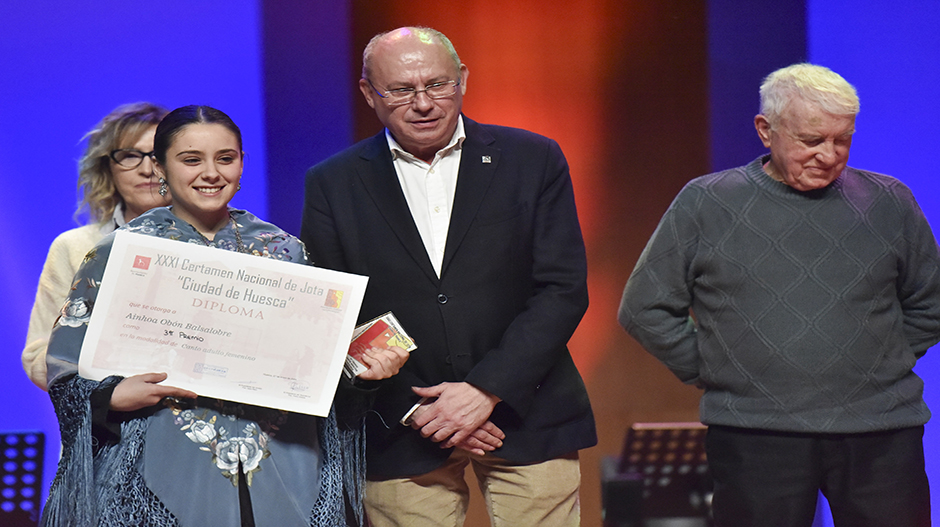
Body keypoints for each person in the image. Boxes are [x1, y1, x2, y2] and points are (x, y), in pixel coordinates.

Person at [42, 105, 409, 527]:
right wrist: (109, 397)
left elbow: (313, 376)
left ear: (241, 164)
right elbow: (66, 370)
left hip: (284, 462)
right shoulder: (120, 252)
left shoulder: (285, 251)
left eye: (226, 158)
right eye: (191, 159)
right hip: (160, 464)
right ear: (160, 167)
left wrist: (358, 374)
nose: (211, 173)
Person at [618, 63, 940, 527]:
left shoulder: (890, 202)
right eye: (812, 141)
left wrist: (878, 363)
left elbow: (930, 303)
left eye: (841, 139)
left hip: (882, 433)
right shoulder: (706, 202)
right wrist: (716, 367)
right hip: (755, 434)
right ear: (766, 131)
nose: (829, 155)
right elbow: (645, 308)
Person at [302, 26, 596, 526]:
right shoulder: (332, 182)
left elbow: (562, 289)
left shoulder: (533, 158)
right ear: (368, 93)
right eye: (400, 90)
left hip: (525, 412)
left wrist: (484, 391)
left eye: (437, 85)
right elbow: (334, 311)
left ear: (462, 80)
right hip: (400, 425)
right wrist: (423, 412)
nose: (424, 103)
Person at [23, 102, 170, 390]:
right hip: (104, 425)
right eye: (129, 156)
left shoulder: (220, 244)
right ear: (108, 168)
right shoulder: (75, 247)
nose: (146, 169)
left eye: (158, 156)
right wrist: (109, 391)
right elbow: (37, 355)